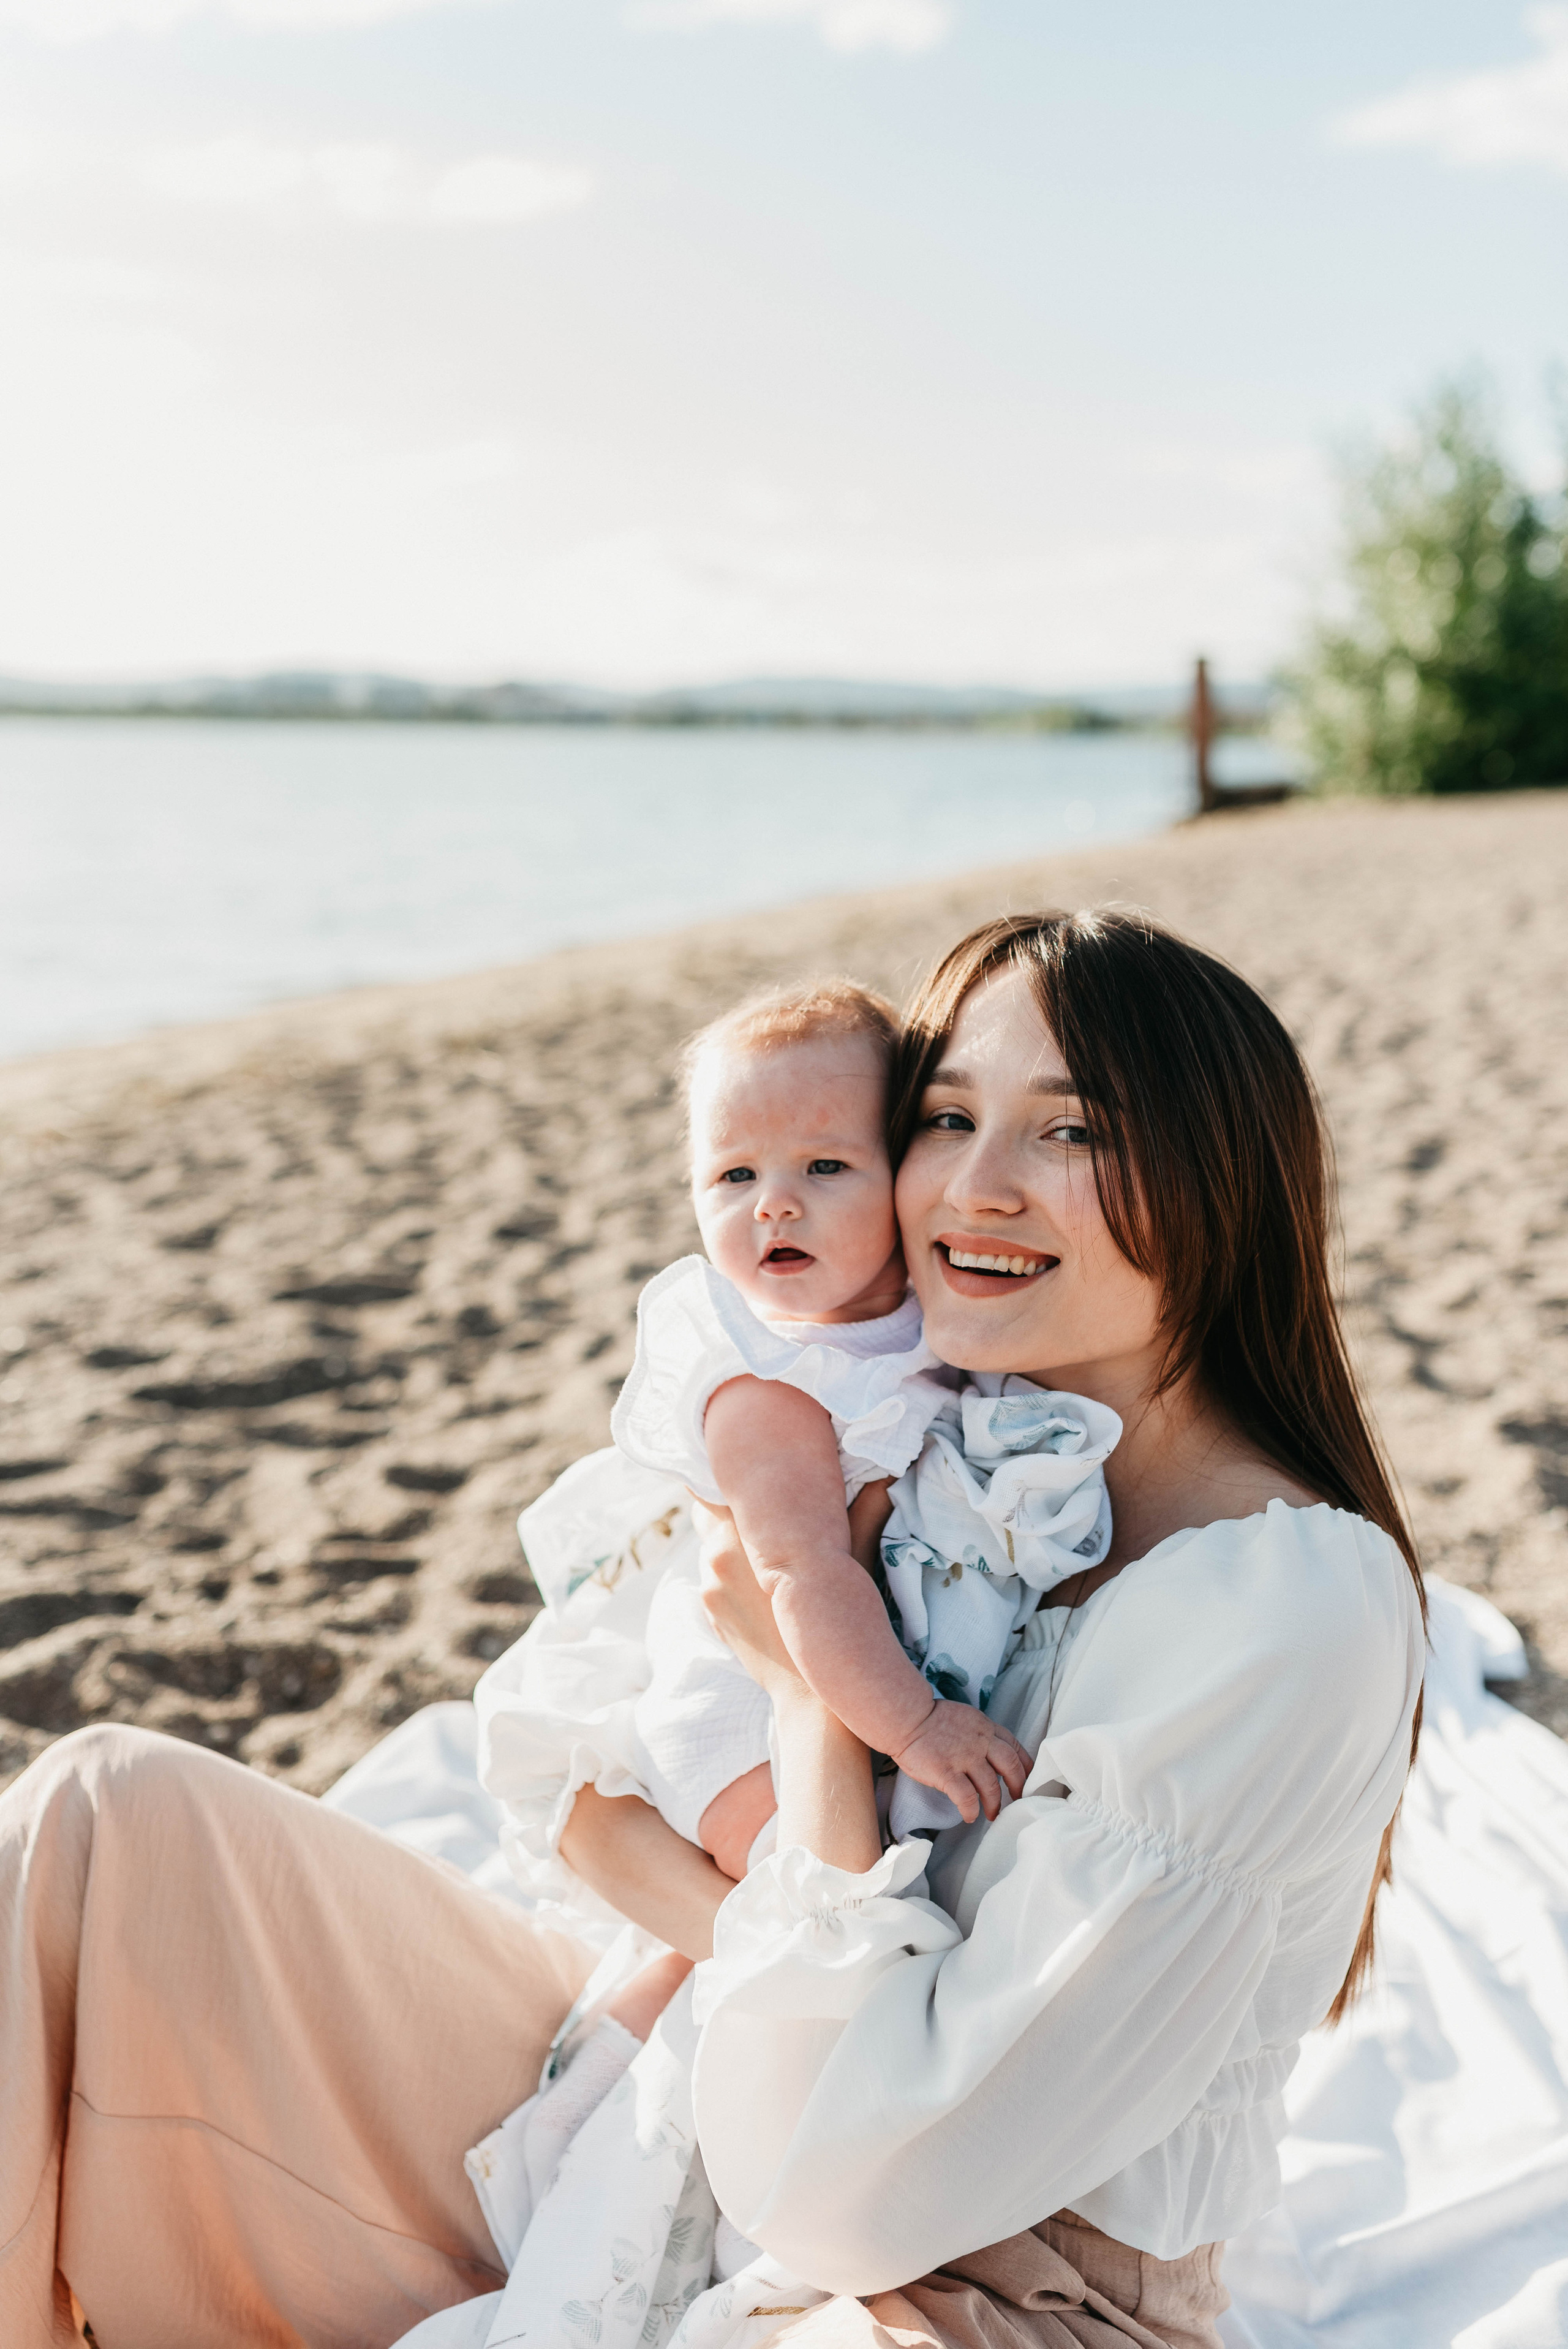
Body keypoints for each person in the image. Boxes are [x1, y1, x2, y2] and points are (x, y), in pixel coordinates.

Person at [0, 908, 1423, 2349]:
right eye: (943, 1117)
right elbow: (574, 1782)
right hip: (689, 2088)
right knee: (103, 1821)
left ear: (1223, 1178)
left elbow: (855, 2190)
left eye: (1069, 1134)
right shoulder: (929, 1427)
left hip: (980, 2290)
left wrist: (810, 1698)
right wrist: (716, 1883)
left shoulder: (1277, 1608)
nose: (972, 1189)